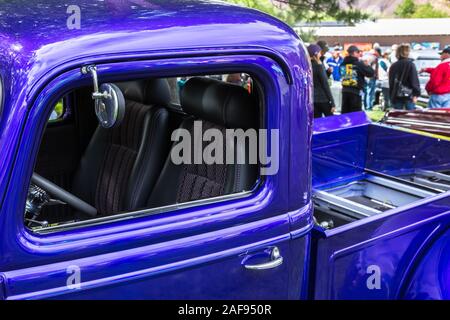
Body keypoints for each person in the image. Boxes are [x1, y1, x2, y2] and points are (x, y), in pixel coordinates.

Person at [340, 45, 375, 114]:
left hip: (345, 91)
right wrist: (367, 65)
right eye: (358, 52)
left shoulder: (342, 64)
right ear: (354, 53)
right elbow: (371, 73)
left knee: (345, 113)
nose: (360, 54)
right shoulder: (358, 64)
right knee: (355, 115)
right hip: (355, 92)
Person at [388, 44, 420, 110]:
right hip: (408, 95)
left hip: (396, 95)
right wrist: (416, 94)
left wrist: (391, 95)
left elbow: (391, 82)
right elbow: (414, 81)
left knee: (397, 116)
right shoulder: (410, 65)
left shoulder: (393, 65)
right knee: (409, 116)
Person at [308, 44, 335, 118]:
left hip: (312, 99)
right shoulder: (319, 66)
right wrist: (332, 102)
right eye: (320, 52)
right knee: (331, 122)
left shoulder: (307, 66)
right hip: (323, 99)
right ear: (316, 53)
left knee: (316, 124)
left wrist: (328, 72)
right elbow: (325, 84)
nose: (321, 54)